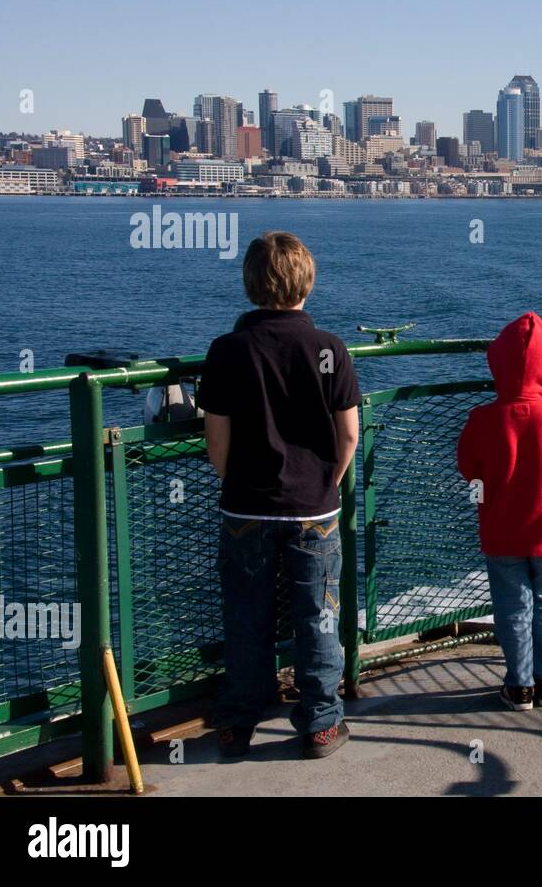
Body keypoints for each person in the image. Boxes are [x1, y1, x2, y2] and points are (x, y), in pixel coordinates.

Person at [199, 232, 361, 759]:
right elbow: (350, 435)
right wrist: (328, 479)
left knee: (246, 615)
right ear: (306, 283)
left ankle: (237, 723)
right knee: (317, 612)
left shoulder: (226, 351)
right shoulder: (329, 350)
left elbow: (216, 442)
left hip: (246, 504)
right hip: (313, 507)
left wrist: (238, 481)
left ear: (250, 285)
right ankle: (319, 722)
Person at [457, 312, 542, 710]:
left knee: (513, 606)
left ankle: (519, 686)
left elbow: (468, 467)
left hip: (501, 531)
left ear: (497, 365)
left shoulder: (481, 419)